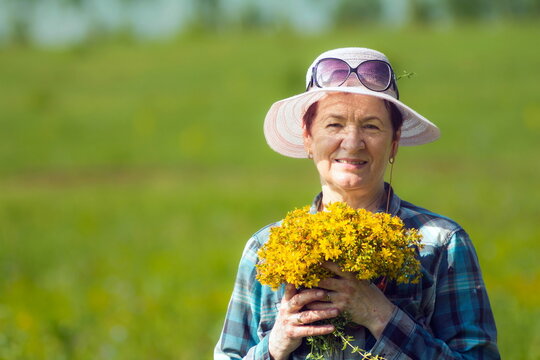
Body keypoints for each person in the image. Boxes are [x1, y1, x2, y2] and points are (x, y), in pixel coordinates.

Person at [215, 47, 499, 359]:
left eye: (371, 126)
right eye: (334, 125)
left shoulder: (442, 245)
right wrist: (276, 344)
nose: (352, 142)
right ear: (308, 137)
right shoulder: (265, 249)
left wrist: (380, 315)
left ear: (394, 141)